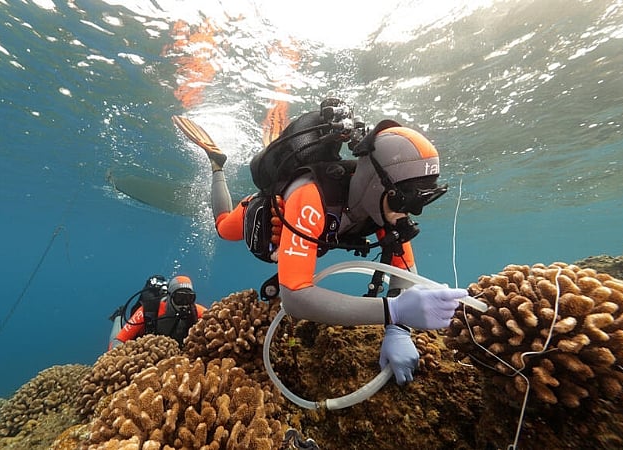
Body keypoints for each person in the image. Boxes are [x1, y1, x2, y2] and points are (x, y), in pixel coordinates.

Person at [183, 101, 469, 385]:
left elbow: (404, 273)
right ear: (376, 183)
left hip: (316, 233)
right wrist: (392, 311)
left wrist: (399, 331)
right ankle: (216, 164)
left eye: (422, 200)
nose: (410, 212)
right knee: (222, 227)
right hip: (274, 217)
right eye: (405, 198)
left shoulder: (383, 209)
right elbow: (295, 298)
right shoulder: (312, 196)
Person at [108, 274, 206, 350]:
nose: (184, 304)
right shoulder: (148, 309)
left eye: (189, 298)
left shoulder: (195, 310)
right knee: (116, 336)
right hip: (143, 345)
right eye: (179, 298)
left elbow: (215, 316)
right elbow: (119, 340)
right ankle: (118, 316)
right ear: (169, 296)